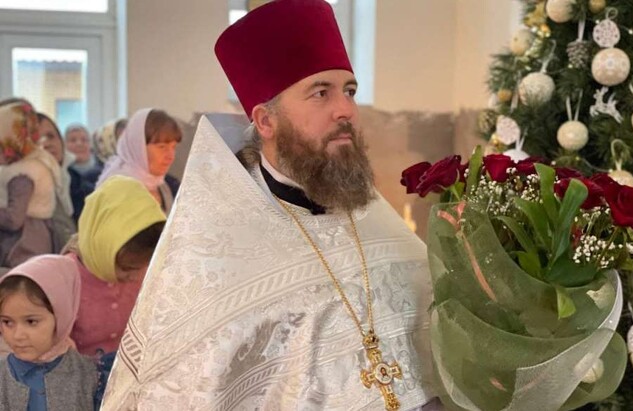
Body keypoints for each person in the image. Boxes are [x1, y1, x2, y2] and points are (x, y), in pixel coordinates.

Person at [101, 1, 439, 410]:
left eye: (349, 90)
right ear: (265, 121)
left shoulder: (380, 224)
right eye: (321, 93)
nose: (346, 109)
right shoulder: (210, 254)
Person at [63, 175, 166, 356]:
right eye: (127, 268)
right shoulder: (65, 279)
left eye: (144, 266)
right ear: (103, 247)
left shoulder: (147, 267)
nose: (135, 277)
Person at [0, 255, 97, 410]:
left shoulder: (91, 377)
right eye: (7, 322)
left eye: (31, 322)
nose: (17, 335)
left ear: (61, 317)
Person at [0, 101, 60, 270]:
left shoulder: (23, 174)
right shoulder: (38, 160)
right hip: (36, 238)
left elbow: (14, 219)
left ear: (11, 142)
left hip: (25, 245)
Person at [96, 109, 181, 214]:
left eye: (173, 147)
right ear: (138, 147)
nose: (170, 156)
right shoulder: (116, 191)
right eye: (162, 147)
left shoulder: (163, 187)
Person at [37, 113, 77, 251]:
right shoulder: (13, 191)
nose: (46, 143)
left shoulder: (78, 184)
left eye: (51, 136)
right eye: (37, 139)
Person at [64, 124, 102, 222]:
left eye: (84, 140)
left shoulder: (104, 171)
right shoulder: (60, 174)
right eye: (73, 140)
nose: (79, 144)